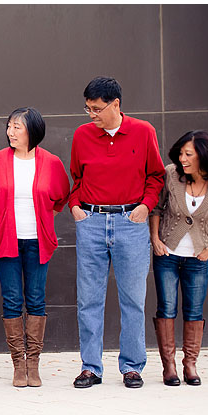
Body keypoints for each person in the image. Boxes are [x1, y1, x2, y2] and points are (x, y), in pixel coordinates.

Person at [69, 76, 165, 389]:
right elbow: (76, 179)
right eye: (88, 109)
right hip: (92, 222)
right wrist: (75, 208)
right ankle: (91, 368)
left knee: (133, 299)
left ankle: (132, 367)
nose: (92, 115)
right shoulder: (82, 135)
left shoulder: (143, 131)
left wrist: (145, 206)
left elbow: (156, 177)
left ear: (116, 105)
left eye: (97, 109)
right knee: (89, 300)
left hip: (131, 222)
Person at [0, 108, 70, 387]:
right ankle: (18, 363)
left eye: (17, 127)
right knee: (11, 300)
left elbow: (61, 197)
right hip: (6, 239)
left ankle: (34, 362)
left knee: (35, 300)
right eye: (9, 126)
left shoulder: (51, 162)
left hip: (37, 241)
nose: (11, 132)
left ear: (33, 131)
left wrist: (43, 219)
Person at [149, 130, 208, 386]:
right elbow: (157, 208)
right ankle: (168, 367)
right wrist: (156, 239)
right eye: (180, 153)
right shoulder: (172, 174)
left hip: (198, 259)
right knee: (166, 308)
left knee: (194, 311)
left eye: (188, 154)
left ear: (203, 155)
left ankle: (190, 365)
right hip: (167, 255)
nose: (182, 158)